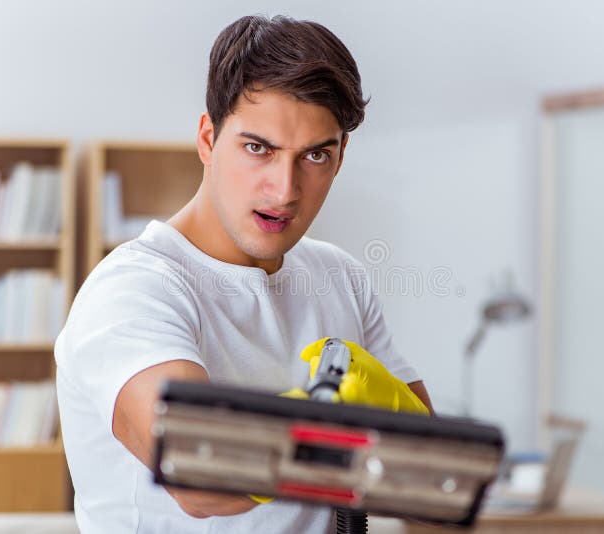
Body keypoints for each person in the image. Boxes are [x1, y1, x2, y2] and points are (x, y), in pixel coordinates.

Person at [55, 14, 434, 534]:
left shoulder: (339, 276)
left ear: (341, 156)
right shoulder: (133, 291)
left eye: (315, 156)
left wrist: (396, 420)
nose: (284, 190)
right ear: (208, 139)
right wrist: (326, 423)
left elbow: (431, 481)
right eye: (259, 148)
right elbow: (199, 475)